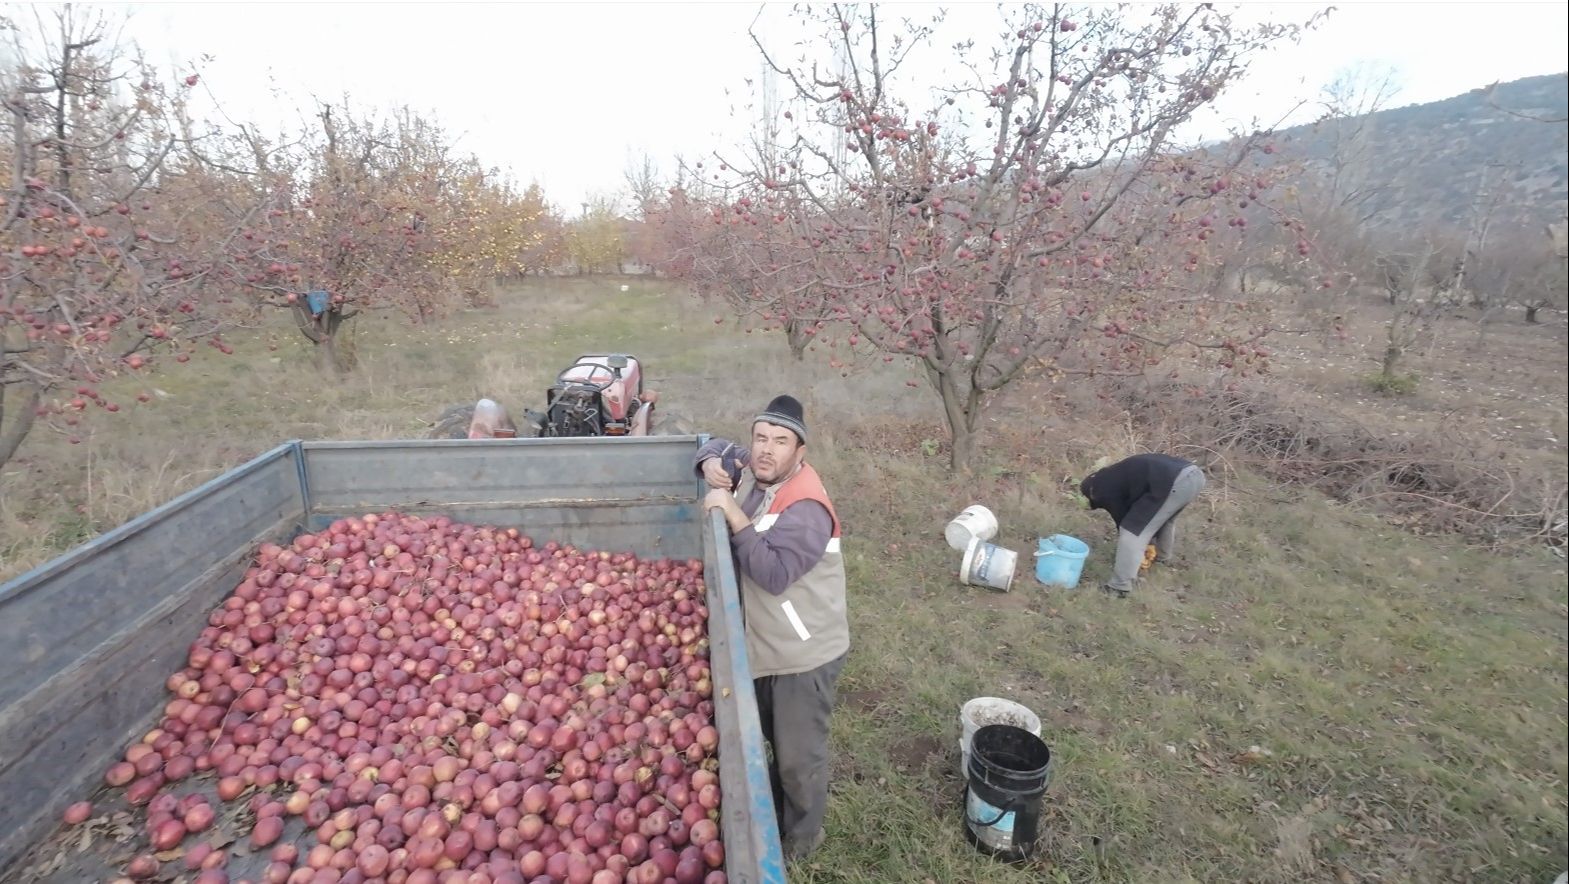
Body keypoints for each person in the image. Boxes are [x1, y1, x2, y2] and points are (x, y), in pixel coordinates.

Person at [696, 394, 848, 862]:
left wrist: (732, 512)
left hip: (802, 654)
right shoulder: (758, 468)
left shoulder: (807, 508)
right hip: (765, 642)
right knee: (774, 739)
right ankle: (780, 814)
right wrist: (709, 464)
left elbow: (774, 575)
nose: (766, 448)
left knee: (799, 758)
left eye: (780, 441)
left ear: (800, 452)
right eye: (761, 437)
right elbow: (714, 445)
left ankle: (802, 843)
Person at [1079, 453, 1207, 598]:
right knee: (1165, 518)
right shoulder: (1112, 475)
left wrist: (1145, 543)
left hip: (1174, 481)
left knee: (1131, 532)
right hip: (1193, 475)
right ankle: (1161, 557)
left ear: (1091, 493)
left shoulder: (1100, 489)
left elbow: (1123, 519)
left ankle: (1119, 587)